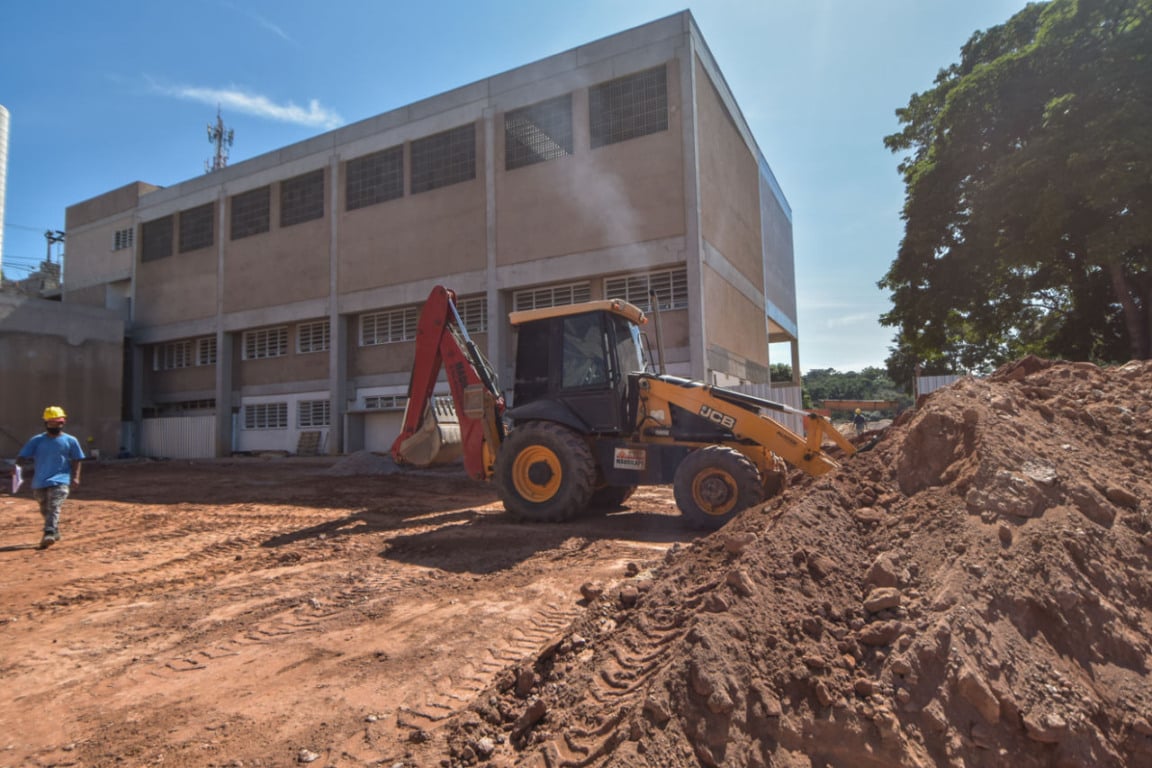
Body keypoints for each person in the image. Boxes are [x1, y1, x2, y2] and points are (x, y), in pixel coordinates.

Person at [17, 406, 85, 549]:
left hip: (61, 480)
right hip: (40, 481)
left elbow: (77, 459)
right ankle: (54, 530)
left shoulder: (71, 441)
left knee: (54, 506)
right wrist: (17, 467)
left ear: (63, 422)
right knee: (44, 509)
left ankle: (48, 533)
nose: (54, 426)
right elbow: (22, 456)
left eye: (57, 423)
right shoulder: (37, 440)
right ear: (46, 423)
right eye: (51, 423)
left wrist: (75, 477)